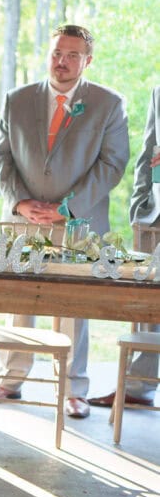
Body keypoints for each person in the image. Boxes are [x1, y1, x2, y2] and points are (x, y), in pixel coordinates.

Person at [0, 24, 129, 421]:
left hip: (78, 222)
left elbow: (113, 163)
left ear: (87, 60)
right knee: (18, 299)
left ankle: (73, 388)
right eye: (56, 53)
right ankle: (11, 379)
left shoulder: (108, 103)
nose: (62, 61)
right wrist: (19, 203)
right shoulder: (17, 99)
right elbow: (0, 156)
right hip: (24, 221)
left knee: (72, 306)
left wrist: (68, 208)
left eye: (72, 55)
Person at [93, 80, 160, 410]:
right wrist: (140, 205)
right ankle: (139, 385)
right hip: (155, 215)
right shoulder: (159, 90)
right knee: (147, 304)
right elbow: (149, 150)